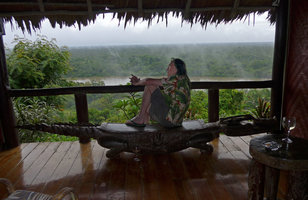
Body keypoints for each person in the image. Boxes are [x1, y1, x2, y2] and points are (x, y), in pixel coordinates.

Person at [125, 58, 191, 128]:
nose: (167, 69)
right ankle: (143, 118)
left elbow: (148, 81)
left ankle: (141, 118)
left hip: (169, 121)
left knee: (150, 86)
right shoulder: (184, 79)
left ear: (177, 69)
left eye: (170, 66)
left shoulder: (175, 80)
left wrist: (137, 83)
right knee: (152, 97)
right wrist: (140, 81)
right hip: (177, 122)